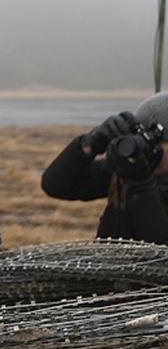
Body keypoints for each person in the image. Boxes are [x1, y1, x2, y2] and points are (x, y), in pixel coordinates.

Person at [41, 92, 168, 244]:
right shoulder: (127, 174)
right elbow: (56, 185)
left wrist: (141, 186)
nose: (150, 150)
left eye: (159, 144)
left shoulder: (137, 178)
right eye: (146, 142)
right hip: (110, 265)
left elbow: (162, 250)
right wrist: (89, 144)